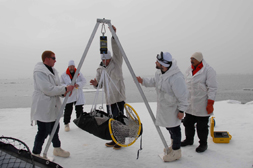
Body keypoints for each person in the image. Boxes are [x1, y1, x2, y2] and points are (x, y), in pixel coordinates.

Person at [136, 52, 189, 162]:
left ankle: (176, 151)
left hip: (173, 108)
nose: (155, 63)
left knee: (174, 129)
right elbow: (155, 82)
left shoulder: (176, 78)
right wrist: (143, 81)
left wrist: (182, 110)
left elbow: (183, 96)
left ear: (162, 64)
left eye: (157, 62)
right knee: (169, 128)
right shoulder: (160, 72)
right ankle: (173, 147)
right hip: (164, 107)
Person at [31, 50, 74, 159]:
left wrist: (64, 92)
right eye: (54, 58)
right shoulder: (39, 72)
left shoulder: (53, 71)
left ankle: (57, 148)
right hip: (43, 106)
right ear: (47, 59)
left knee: (55, 128)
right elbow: (47, 89)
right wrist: (64, 88)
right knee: (43, 131)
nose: (56, 60)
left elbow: (57, 87)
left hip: (53, 106)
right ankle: (36, 154)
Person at [90, 25, 126, 150]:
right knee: (111, 120)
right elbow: (100, 84)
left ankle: (120, 140)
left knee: (119, 119)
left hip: (118, 97)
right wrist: (95, 84)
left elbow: (117, 50)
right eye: (104, 60)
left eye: (107, 59)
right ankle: (113, 138)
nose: (106, 61)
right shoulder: (100, 69)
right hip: (109, 99)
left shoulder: (116, 62)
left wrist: (113, 36)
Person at [181, 52, 217, 153]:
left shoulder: (208, 70)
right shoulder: (189, 69)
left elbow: (213, 88)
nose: (191, 61)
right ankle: (189, 140)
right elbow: (185, 85)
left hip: (202, 104)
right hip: (190, 103)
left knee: (202, 126)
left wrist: (210, 103)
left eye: (194, 59)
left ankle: (203, 144)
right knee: (188, 123)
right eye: (191, 59)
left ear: (199, 59)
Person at [60, 60, 87, 132]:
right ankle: (66, 123)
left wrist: (78, 84)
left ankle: (80, 123)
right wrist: (67, 86)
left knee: (79, 109)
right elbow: (60, 84)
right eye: (70, 67)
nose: (72, 68)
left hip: (78, 93)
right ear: (68, 67)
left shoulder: (79, 73)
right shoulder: (63, 75)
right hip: (70, 94)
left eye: (73, 66)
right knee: (68, 109)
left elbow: (84, 81)